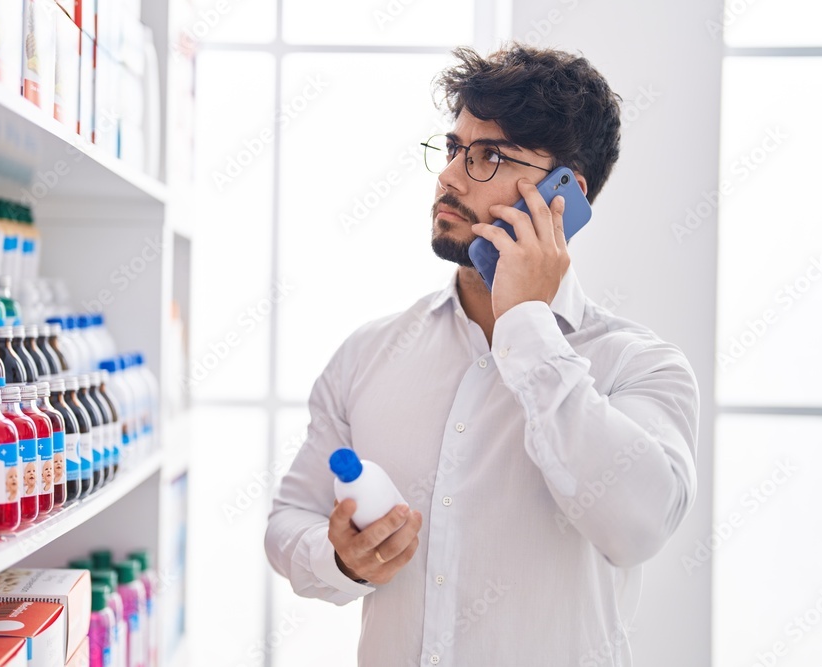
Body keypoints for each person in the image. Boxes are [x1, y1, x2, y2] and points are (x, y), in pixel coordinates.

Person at [265, 43, 699, 666]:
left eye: (489, 156)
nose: (448, 176)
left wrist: (525, 321)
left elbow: (637, 527)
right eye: (452, 150)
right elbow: (288, 521)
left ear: (564, 196)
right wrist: (338, 558)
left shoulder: (642, 367)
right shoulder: (369, 354)